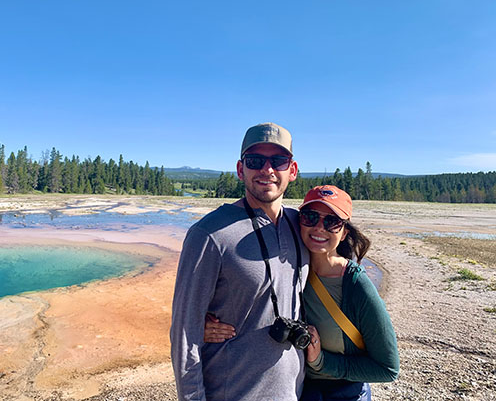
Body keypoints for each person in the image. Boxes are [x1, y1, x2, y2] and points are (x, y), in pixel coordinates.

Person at [204, 185, 400, 401]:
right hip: (298, 389)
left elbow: (388, 368)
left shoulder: (355, 285)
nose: (319, 228)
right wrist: (208, 325)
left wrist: (322, 362)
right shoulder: (289, 266)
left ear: (344, 233)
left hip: (343, 393)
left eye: (332, 221)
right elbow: (253, 301)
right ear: (299, 221)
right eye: (310, 217)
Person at [170, 122, 310, 400]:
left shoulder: (303, 226)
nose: (267, 170)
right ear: (240, 169)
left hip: (292, 392)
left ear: (292, 171)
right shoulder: (208, 234)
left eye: (278, 160)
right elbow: (185, 334)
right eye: (255, 160)